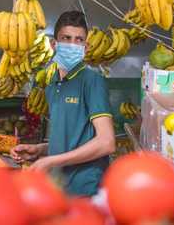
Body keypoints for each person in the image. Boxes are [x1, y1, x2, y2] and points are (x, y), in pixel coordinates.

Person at [10, 11, 116, 196]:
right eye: (66, 38)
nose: (72, 44)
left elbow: (106, 142)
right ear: (54, 44)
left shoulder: (92, 81)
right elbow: (71, 138)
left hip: (86, 189)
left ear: (86, 47)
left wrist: (51, 161)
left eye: (79, 40)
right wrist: (39, 150)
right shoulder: (52, 84)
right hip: (59, 187)